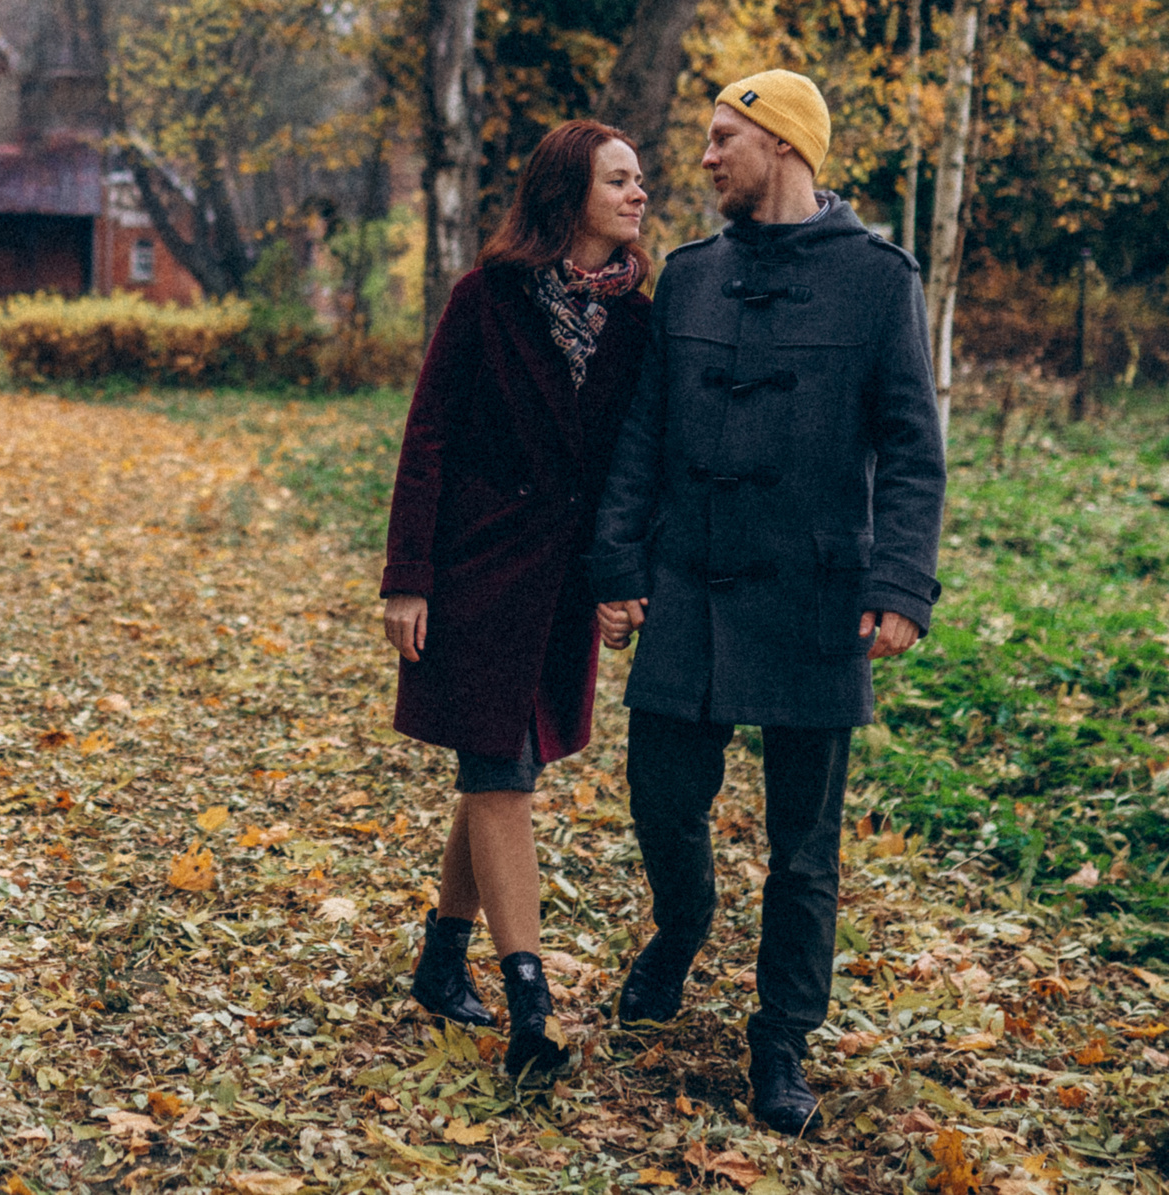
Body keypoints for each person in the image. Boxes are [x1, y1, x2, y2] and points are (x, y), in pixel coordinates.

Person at [588, 70, 943, 1135]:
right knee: (660, 795)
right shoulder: (690, 278)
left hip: (817, 596)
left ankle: (780, 1041)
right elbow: (641, 438)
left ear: (783, 147)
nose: (701, 161)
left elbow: (913, 454)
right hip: (689, 583)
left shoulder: (880, 282)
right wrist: (616, 562)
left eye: (720, 140)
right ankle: (680, 927)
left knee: (803, 849)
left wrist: (899, 583)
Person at [381, 120, 653, 1078]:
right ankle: (529, 999)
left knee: (502, 756)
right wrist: (408, 576)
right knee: (502, 769)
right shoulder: (486, 296)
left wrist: (623, 578)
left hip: (565, 583)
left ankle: (442, 958)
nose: (638, 194)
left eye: (639, 181)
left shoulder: (637, 317)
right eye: (618, 180)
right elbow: (430, 437)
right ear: (567, 193)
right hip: (476, 571)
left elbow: (633, 466)